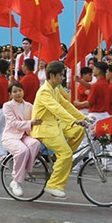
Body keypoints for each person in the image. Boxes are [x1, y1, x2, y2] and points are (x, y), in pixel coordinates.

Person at [31, 61, 88, 199]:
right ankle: (53, 185)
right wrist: (73, 120)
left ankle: (60, 157)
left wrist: (83, 118)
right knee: (67, 154)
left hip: (54, 125)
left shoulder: (54, 89)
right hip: (44, 128)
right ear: (52, 75)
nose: (63, 78)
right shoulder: (44, 91)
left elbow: (66, 105)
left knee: (79, 131)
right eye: (61, 75)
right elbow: (57, 109)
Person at [2, 81, 42, 197]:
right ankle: (16, 180)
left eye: (20, 91)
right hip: (11, 136)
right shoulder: (7, 106)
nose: (18, 93)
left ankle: (26, 171)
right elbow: (13, 123)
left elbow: (37, 117)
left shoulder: (29, 106)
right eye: (14, 91)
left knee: (35, 144)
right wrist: (31, 122)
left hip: (25, 135)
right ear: (10, 94)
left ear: (23, 92)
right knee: (22, 150)